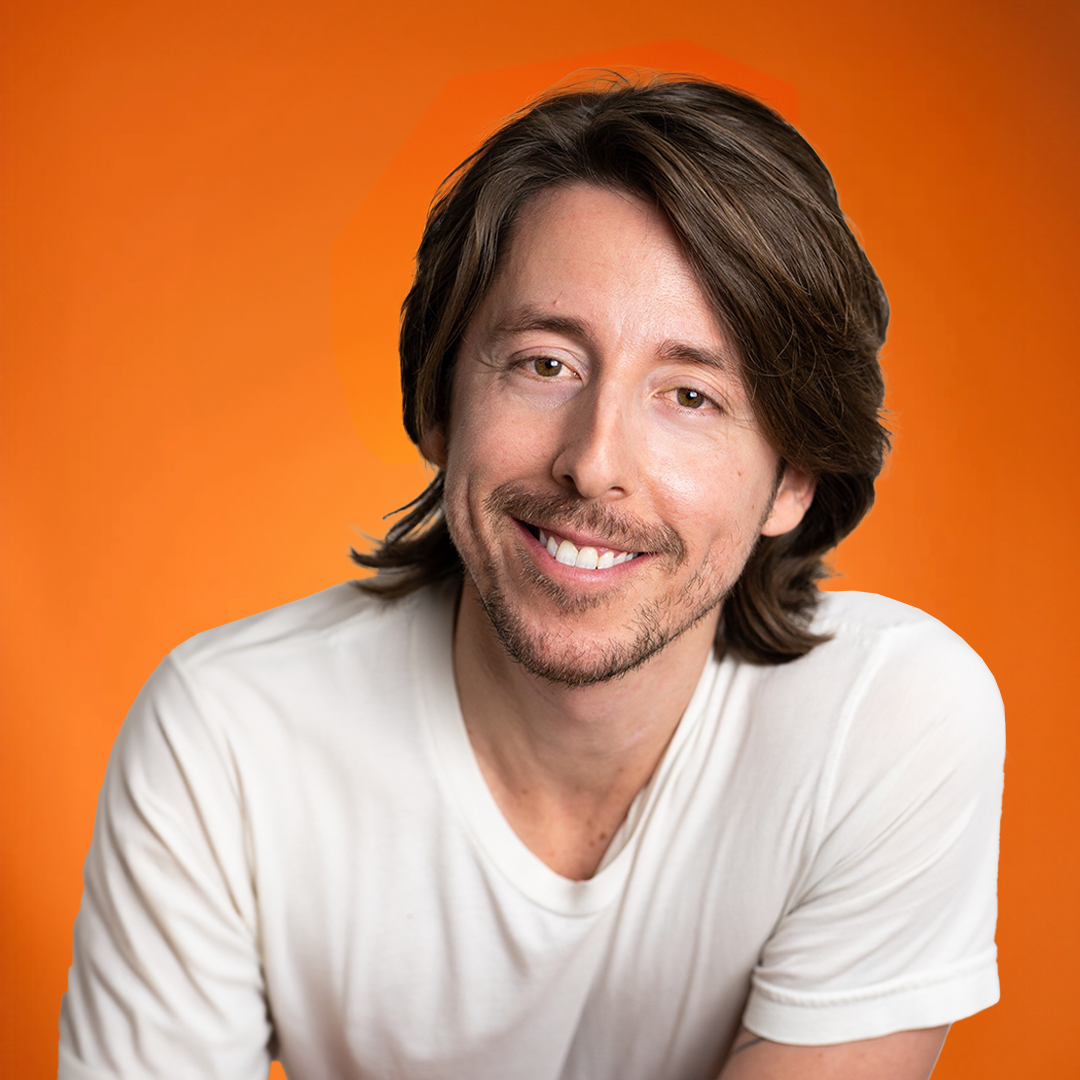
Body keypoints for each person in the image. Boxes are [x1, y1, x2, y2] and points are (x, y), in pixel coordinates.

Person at [59, 76, 1004, 1080]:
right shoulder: (225, 737)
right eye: (545, 364)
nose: (595, 461)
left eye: (690, 394)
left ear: (794, 480)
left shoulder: (888, 719)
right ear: (440, 401)